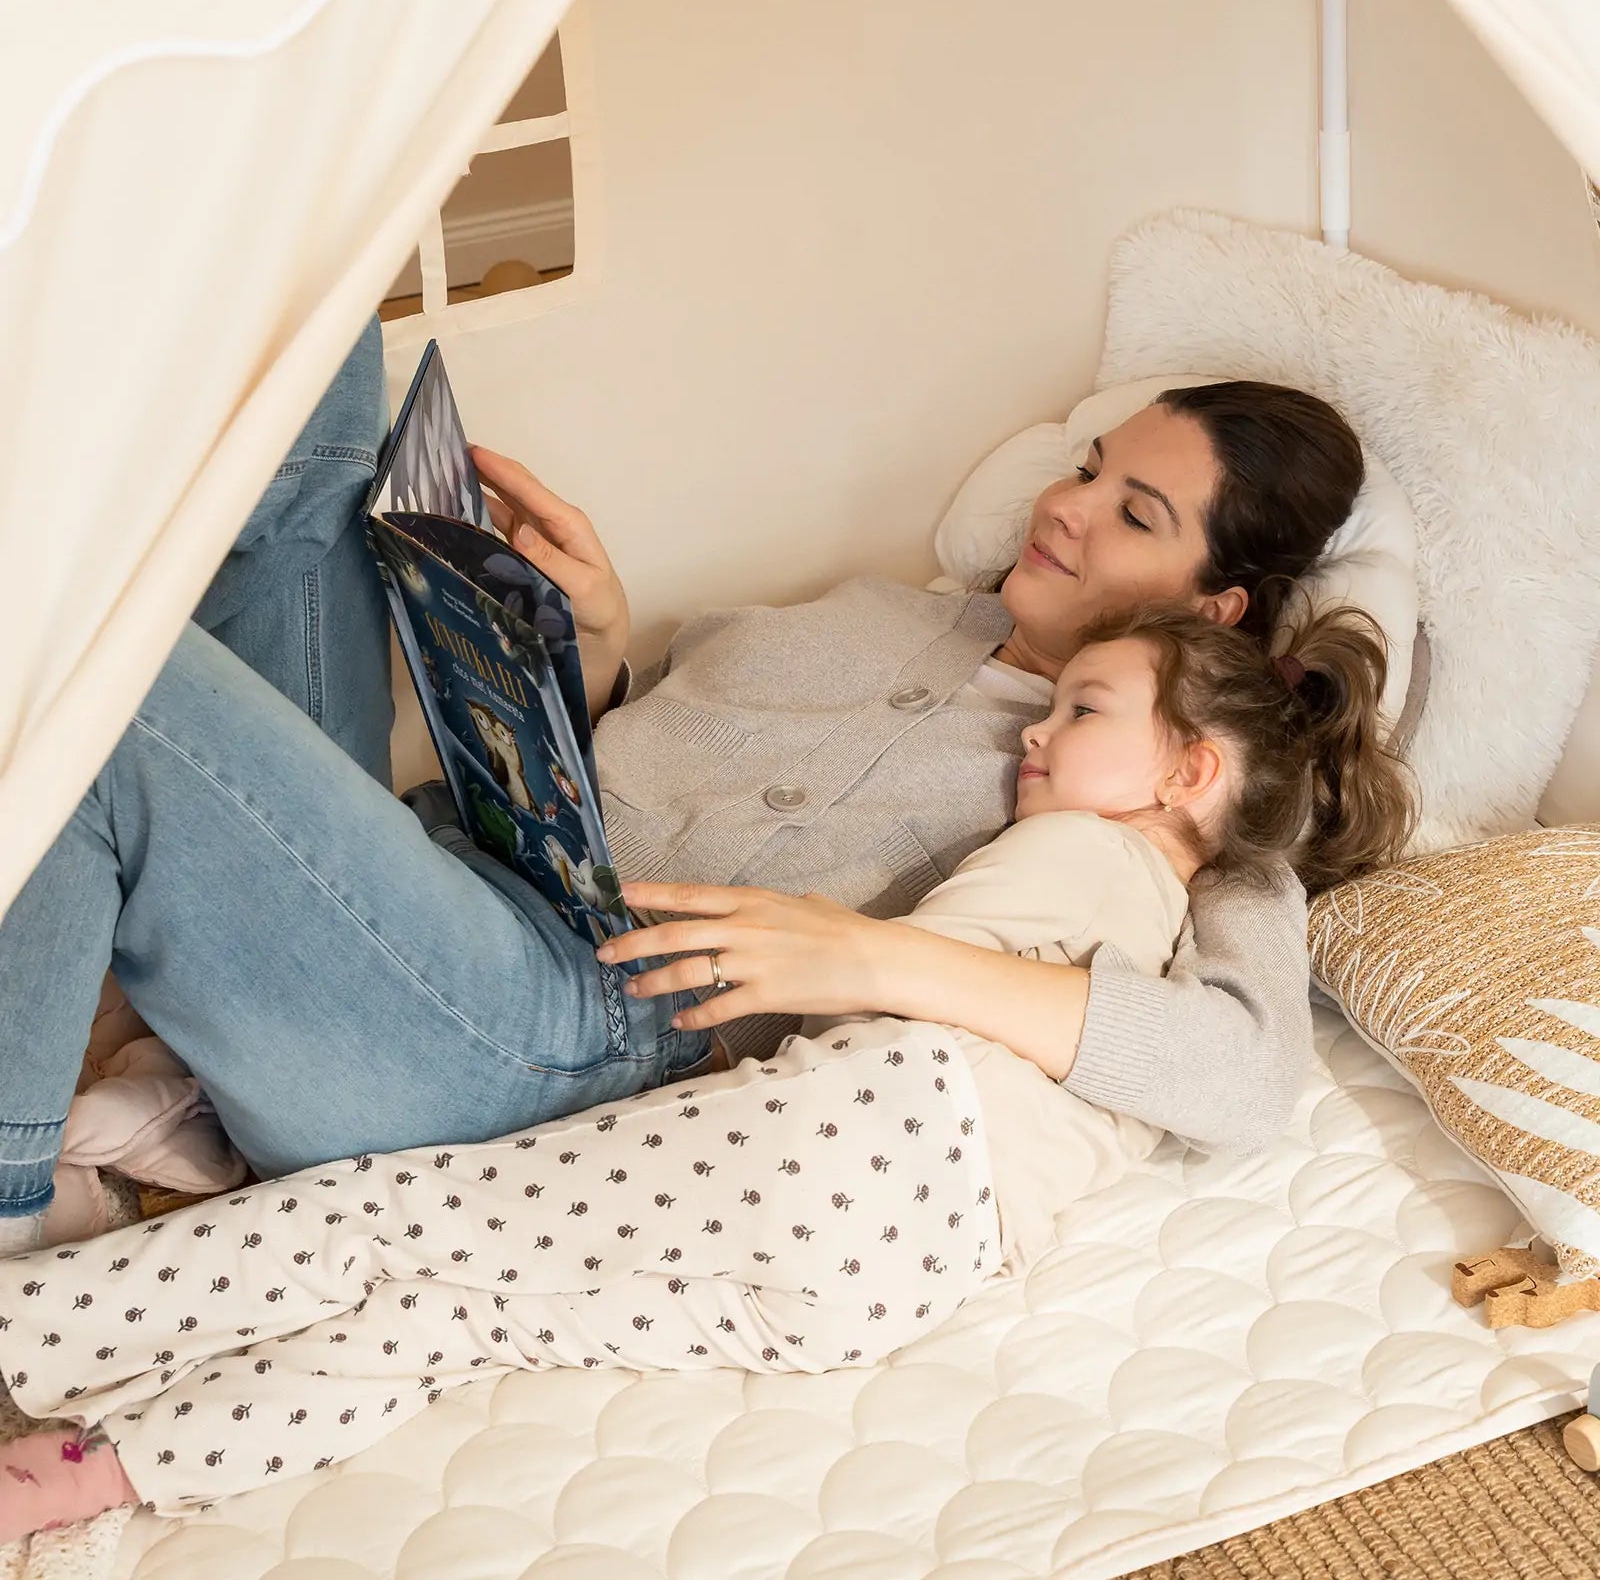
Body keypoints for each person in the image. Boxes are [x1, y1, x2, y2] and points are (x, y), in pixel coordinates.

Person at [0, 597, 1412, 1529]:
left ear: (1190, 773)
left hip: (871, 1127)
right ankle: (98, 1472)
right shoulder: (1166, 912)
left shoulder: (1100, 855)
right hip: (895, 1279)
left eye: (1085, 710)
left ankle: (30, 1328)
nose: (1036, 731)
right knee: (452, 1308)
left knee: (386, 1216)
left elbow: (1190, 1062)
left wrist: (826, 968)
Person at [0, 316, 1365, 1260]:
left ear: (1217, 609)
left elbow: (1247, 1078)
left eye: (1134, 514)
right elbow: (624, 774)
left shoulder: (1162, 790)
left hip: (558, 1037)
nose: (1065, 506)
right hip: (433, 884)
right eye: (1088, 470)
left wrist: (879, 959)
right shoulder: (886, 611)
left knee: (101, 679)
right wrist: (590, 643)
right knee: (313, 354)